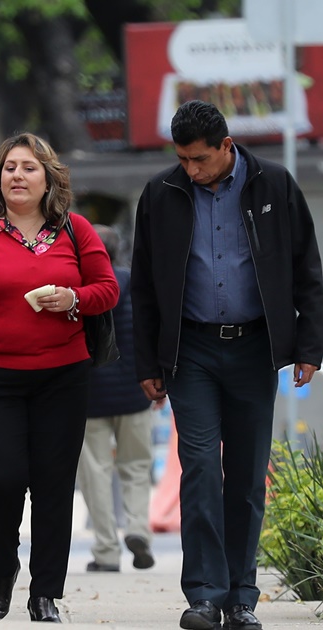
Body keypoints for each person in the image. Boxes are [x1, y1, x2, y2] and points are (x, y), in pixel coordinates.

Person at [131, 100, 323, 630]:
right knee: (197, 471)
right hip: (190, 352)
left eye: (199, 160)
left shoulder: (274, 185)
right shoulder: (161, 194)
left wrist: (308, 346)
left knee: (244, 477)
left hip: (254, 349)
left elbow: (308, 267)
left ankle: (242, 596)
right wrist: (148, 359)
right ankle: (204, 595)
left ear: (226, 147)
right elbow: (144, 286)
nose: (191, 170)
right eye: (182, 160)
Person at [0, 132, 118, 623]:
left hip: (64, 375)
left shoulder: (76, 231)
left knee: (54, 484)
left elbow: (107, 289)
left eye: (29, 167)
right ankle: (3, 567)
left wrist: (73, 300)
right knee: (3, 479)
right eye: (10, 167)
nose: (18, 174)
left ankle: (45, 592)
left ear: (48, 178)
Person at [76, 224, 160, 573]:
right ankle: (138, 529)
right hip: (136, 392)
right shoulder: (137, 284)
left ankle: (106, 550)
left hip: (91, 397)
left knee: (95, 472)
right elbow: (151, 333)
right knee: (137, 467)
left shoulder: (78, 290)